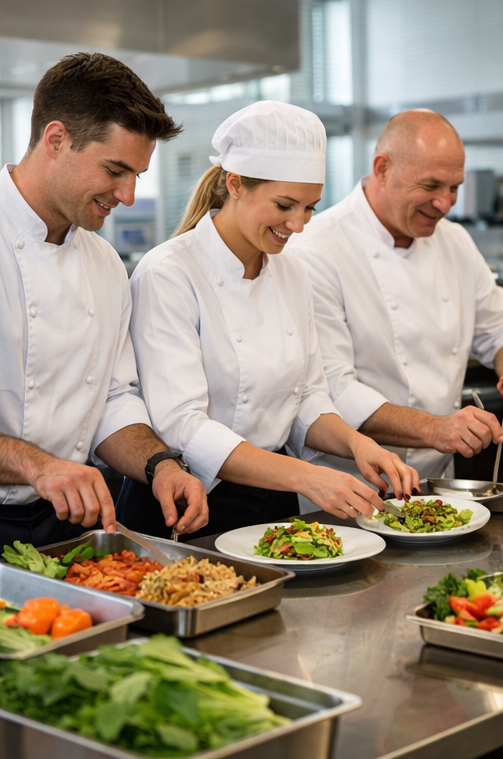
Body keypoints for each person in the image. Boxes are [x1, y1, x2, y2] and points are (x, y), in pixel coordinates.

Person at [116, 100, 419, 540]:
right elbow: (183, 425)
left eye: (310, 207)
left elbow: (307, 398)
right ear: (235, 184)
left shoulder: (293, 273)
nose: (298, 225)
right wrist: (305, 476)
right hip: (187, 502)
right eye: (284, 205)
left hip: (273, 499)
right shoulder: (169, 273)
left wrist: (358, 444)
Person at [0, 52, 208, 547]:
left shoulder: (106, 265)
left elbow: (114, 399)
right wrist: (37, 465)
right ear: (56, 140)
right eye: (115, 169)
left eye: (137, 174)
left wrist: (160, 465)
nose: (128, 195)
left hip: (67, 521)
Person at [287, 109, 503, 484]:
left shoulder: (455, 240)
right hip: (347, 486)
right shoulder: (315, 250)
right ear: (382, 168)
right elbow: (332, 389)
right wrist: (435, 428)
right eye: (431, 186)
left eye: (454, 187)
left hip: (438, 481)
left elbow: (496, 327)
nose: (445, 204)